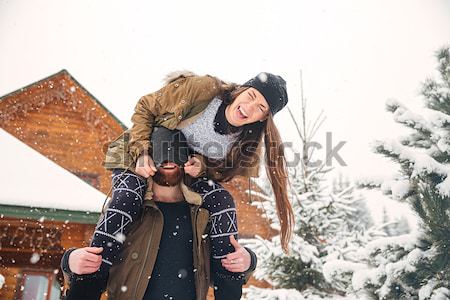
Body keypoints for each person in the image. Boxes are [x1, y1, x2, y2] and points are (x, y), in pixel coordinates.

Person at [61, 128, 257, 300]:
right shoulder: (129, 210)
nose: (169, 160)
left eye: (176, 153)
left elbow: (220, 273)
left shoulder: (203, 214)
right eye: (161, 153)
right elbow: (97, 267)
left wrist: (247, 261)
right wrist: (70, 261)